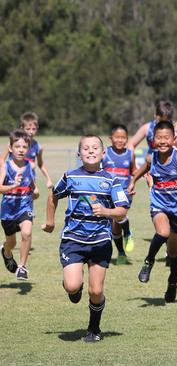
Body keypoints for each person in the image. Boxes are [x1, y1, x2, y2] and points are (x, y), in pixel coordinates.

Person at [42, 135, 130, 342]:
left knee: (96, 290)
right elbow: (53, 195)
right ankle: (74, 286)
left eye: (95, 148)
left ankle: (94, 328)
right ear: (79, 154)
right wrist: (50, 221)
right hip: (73, 239)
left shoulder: (110, 179)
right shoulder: (70, 176)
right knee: (72, 286)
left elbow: (122, 210)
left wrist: (107, 212)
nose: (90, 151)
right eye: (86, 148)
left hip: (100, 241)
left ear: (103, 153)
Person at [127, 121, 177, 302]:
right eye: (159, 138)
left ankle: (173, 281)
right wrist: (132, 183)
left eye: (166, 138)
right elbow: (139, 171)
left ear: (173, 139)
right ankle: (148, 261)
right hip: (159, 206)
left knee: (172, 253)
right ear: (153, 139)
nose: (162, 141)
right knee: (162, 232)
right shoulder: (151, 158)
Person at [1, 129, 38, 280]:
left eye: (24, 147)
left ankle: (22, 267)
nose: (21, 150)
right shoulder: (6, 166)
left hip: (25, 208)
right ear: (10, 148)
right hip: (8, 211)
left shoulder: (30, 166)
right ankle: (6, 252)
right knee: (11, 242)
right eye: (17, 147)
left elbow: (33, 185)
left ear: (28, 149)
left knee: (27, 233)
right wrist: (12, 186)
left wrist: (35, 191)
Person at [102, 124, 137, 263]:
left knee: (119, 216)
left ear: (127, 139)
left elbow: (134, 171)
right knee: (114, 225)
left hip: (124, 192)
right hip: (108, 193)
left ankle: (127, 233)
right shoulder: (105, 153)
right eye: (117, 137)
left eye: (123, 138)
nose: (120, 140)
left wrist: (135, 181)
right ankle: (121, 253)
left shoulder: (130, 154)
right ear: (111, 138)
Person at [1, 112, 54, 188]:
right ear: (22, 128)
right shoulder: (13, 143)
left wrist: (48, 179)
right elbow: (1, 159)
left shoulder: (38, 147)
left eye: (34, 129)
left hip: (29, 178)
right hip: (12, 179)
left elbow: (40, 164)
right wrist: (6, 172)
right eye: (28, 129)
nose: (31, 132)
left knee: (32, 196)